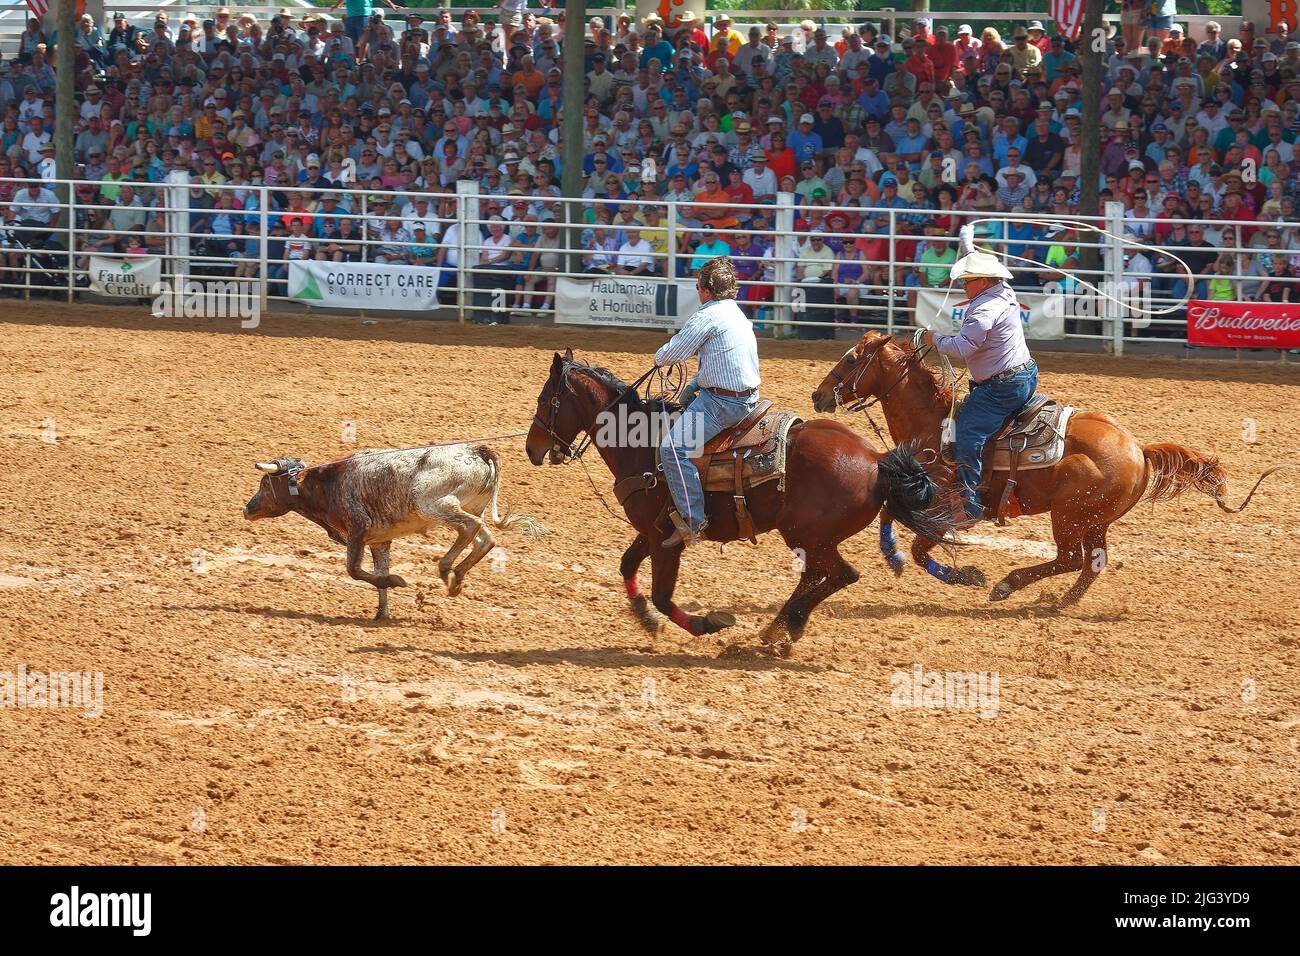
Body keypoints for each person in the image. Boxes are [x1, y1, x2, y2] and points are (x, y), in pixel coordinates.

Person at [917, 226, 1036, 522]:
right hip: (1023, 374)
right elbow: (972, 257)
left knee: (967, 434)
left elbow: (963, 348)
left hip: (1002, 387)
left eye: (966, 282)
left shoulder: (985, 310)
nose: (962, 286)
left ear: (982, 282)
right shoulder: (1002, 290)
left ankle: (970, 503)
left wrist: (934, 339)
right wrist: (965, 238)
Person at [654, 256, 761, 548]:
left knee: (673, 449)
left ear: (705, 290)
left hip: (723, 404)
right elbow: (716, 362)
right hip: (748, 397)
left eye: (698, 286)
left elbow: (670, 355)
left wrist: (657, 357)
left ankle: (694, 520)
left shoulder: (706, 316)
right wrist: (691, 388)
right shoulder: (737, 313)